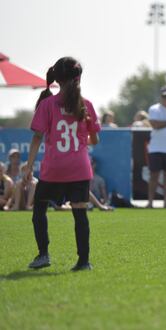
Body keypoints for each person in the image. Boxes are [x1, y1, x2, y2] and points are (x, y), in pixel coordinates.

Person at [23, 56, 101, 271]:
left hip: (54, 169)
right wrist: (80, 141)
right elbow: (94, 139)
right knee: (80, 214)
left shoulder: (48, 104)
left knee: (39, 209)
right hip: (80, 168)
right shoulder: (87, 105)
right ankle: (83, 262)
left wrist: (29, 167)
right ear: (78, 78)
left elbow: (37, 137)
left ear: (57, 78)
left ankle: (43, 255)